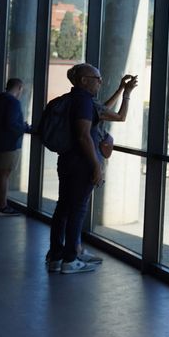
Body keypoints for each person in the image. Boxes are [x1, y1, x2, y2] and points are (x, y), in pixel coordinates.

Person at [45, 64, 137, 274]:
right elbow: (85, 135)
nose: (100, 82)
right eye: (97, 78)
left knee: (63, 209)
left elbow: (102, 110)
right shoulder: (84, 102)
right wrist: (96, 166)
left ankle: (56, 256)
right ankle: (70, 259)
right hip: (82, 164)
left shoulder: (73, 100)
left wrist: (122, 90)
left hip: (66, 161)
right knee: (77, 210)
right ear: (84, 80)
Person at [0, 79, 27, 216]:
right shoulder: (13, 102)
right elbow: (11, 123)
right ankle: (2, 206)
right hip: (9, 143)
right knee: (4, 174)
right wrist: (24, 127)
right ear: (19, 87)